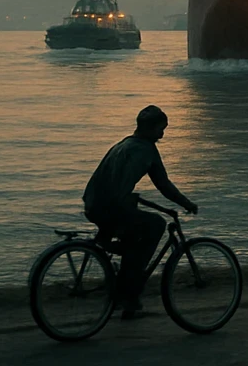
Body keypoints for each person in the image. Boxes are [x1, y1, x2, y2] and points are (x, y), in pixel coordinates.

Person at [82, 105, 198, 318]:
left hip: (92, 205)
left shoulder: (122, 144)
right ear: (150, 128)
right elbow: (163, 184)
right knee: (156, 225)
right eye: (161, 129)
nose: (162, 134)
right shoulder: (147, 150)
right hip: (112, 208)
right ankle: (128, 293)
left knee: (132, 235)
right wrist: (186, 203)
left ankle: (125, 291)